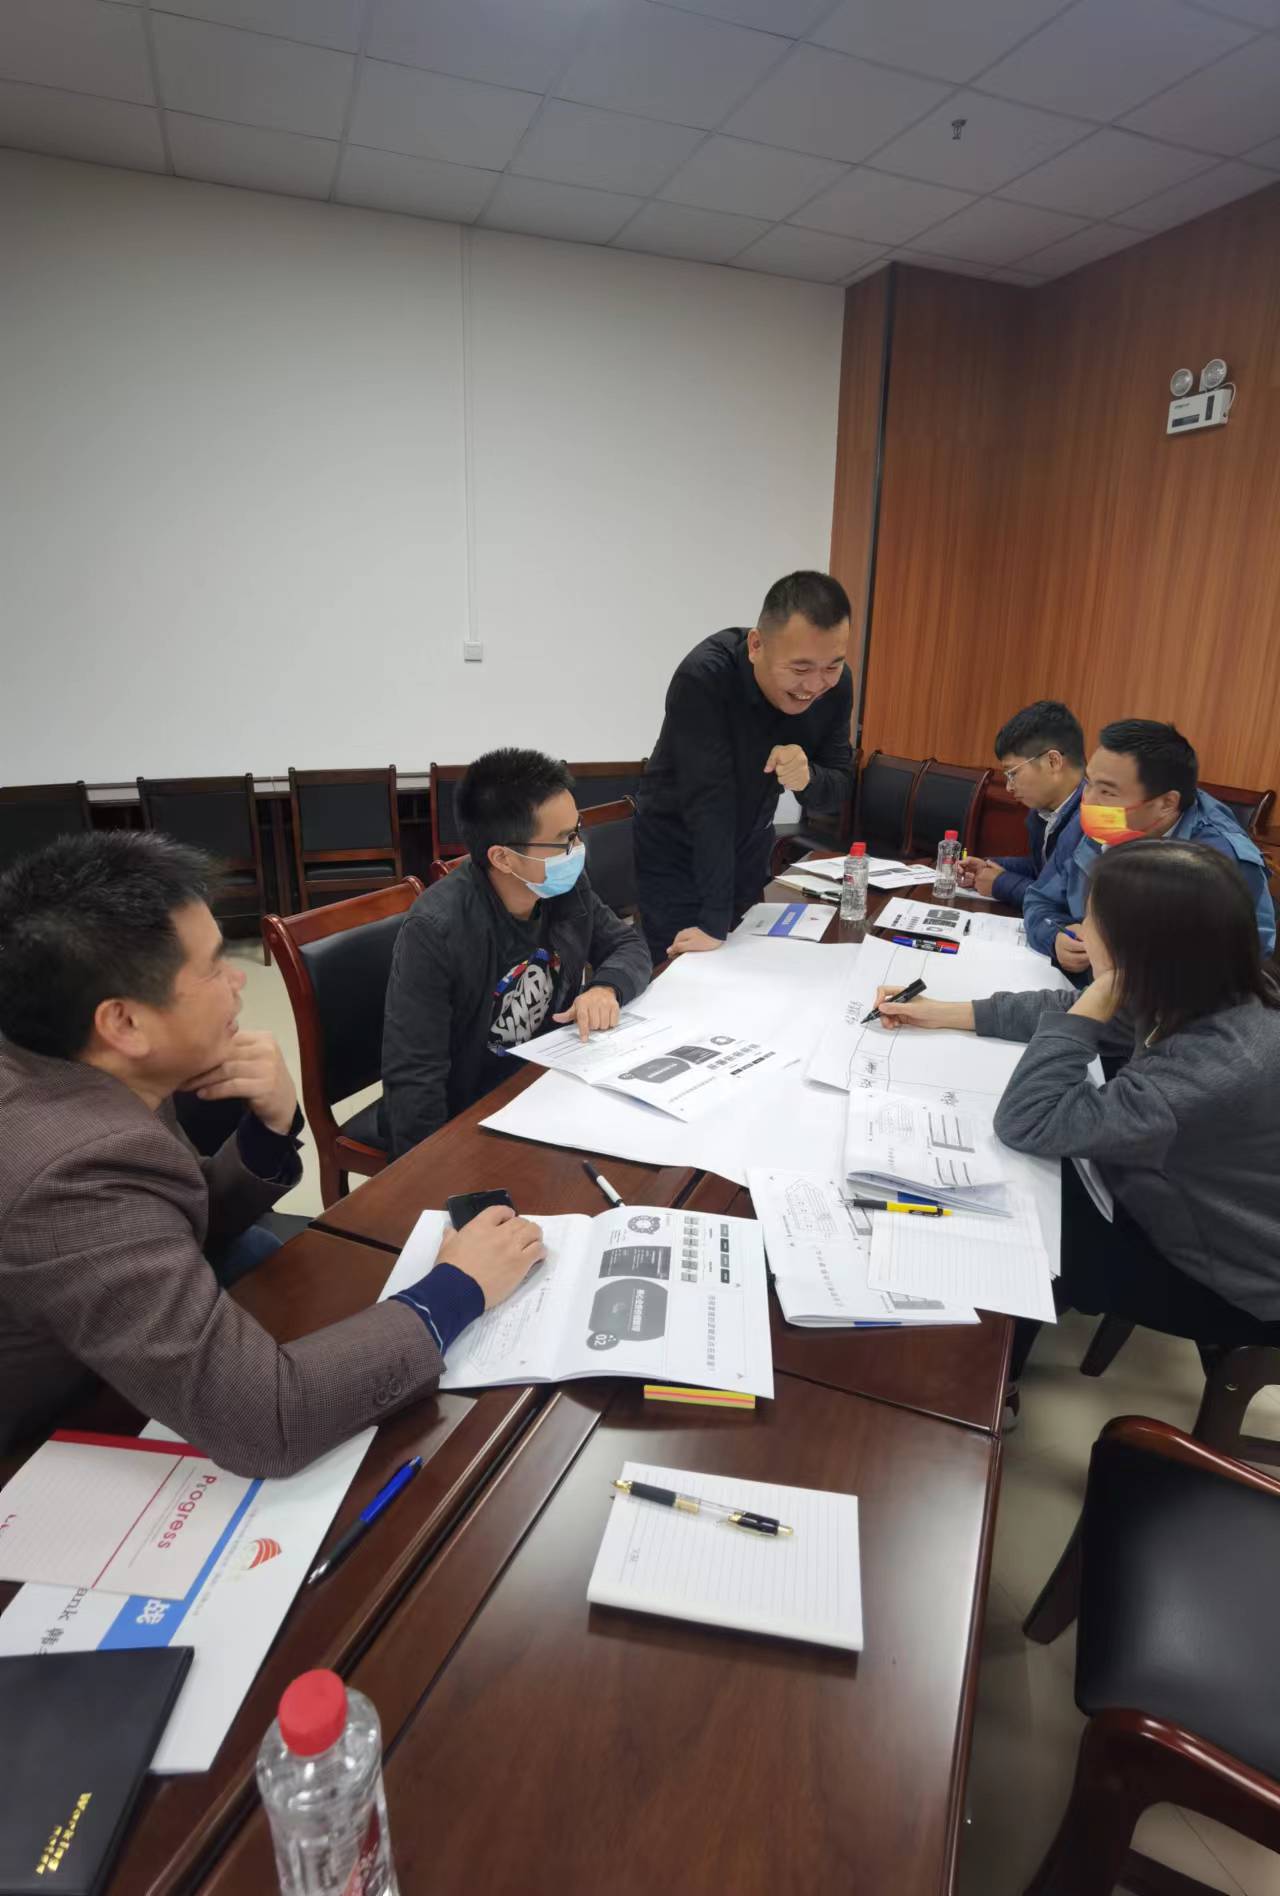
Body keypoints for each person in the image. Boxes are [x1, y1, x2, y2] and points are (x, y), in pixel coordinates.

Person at [0, 832, 546, 1476]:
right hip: (47, 1430)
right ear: (123, 1023)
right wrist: (458, 1288)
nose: (239, 981)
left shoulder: (80, 1065)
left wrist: (270, 1127)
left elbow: (169, 1223)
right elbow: (268, 1420)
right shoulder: (74, 1177)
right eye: (213, 967)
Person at [875, 840, 1280, 1390]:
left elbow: (1028, 1119)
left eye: (1093, 922)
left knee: (1017, 1231)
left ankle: (984, 1389)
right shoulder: (1212, 985)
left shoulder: (1212, 1067)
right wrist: (944, 1012)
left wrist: (1105, 987)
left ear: (1145, 949)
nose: (1081, 932)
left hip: (1232, 1281)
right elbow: (1070, 1010)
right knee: (1025, 1187)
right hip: (1189, 1203)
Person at [381, 749, 650, 1158]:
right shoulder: (436, 930)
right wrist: (435, 1178)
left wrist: (605, 988)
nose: (577, 849)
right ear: (503, 857)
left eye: (577, 832)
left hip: (549, 1081)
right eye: (563, 841)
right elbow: (415, 1080)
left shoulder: (564, 888)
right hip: (474, 1113)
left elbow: (627, 944)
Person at [633, 570, 856, 965]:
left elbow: (838, 785)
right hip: (677, 846)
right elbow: (709, 804)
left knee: (745, 968)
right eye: (800, 669)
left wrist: (809, 778)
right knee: (678, 972)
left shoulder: (835, 687)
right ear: (756, 645)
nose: (815, 685)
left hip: (750, 844)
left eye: (832, 666)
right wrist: (713, 923)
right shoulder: (705, 676)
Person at [1023, 717, 1275, 974]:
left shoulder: (1221, 861)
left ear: (1166, 803)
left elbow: (1244, 967)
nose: (1088, 800)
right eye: (1088, 783)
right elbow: (1040, 898)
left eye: (1107, 792)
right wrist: (1054, 937)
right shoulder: (1094, 822)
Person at [957, 699, 1084, 906]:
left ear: (1053, 761)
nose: (1008, 787)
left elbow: (1065, 902)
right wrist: (989, 867)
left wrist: (1000, 883)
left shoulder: (1090, 822)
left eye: (1013, 773)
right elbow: (1042, 870)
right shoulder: (1043, 811)